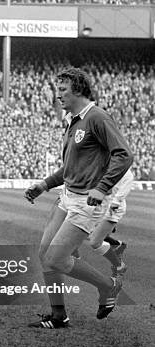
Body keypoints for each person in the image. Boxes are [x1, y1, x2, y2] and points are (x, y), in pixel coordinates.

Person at [24, 67, 133, 328]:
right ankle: (59, 315)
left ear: (79, 90)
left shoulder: (97, 117)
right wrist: (44, 185)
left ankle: (109, 285)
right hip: (67, 197)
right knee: (44, 254)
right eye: (57, 89)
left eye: (62, 90)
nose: (57, 95)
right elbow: (72, 167)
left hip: (88, 201)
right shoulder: (74, 121)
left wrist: (103, 187)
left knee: (55, 259)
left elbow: (124, 155)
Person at [73, 169, 133, 275]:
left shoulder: (126, 173)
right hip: (101, 205)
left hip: (112, 209)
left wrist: (114, 205)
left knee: (95, 241)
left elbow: (118, 195)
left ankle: (119, 265)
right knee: (85, 230)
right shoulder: (106, 164)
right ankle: (117, 245)